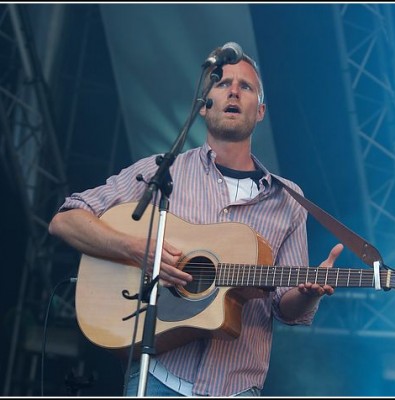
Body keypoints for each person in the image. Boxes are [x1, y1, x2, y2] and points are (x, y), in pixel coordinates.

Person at [48, 45, 344, 397]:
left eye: (246, 87)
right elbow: (65, 220)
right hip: (157, 377)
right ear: (204, 105)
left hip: (236, 387)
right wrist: (136, 248)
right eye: (223, 84)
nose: (233, 91)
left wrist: (308, 294)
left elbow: (286, 308)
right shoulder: (162, 169)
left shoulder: (288, 199)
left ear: (260, 111)